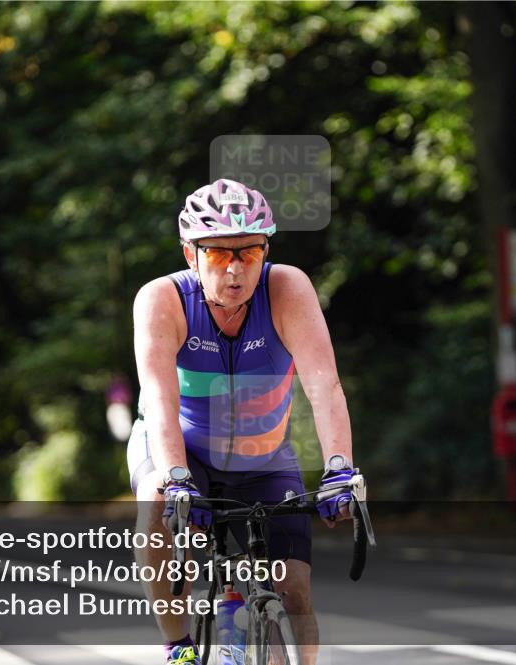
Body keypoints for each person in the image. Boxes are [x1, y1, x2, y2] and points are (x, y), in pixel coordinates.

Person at [128, 179, 359, 665]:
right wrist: (176, 480)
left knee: (294, 590)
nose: (235, 270)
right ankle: (178, 644)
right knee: (156, 498)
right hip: (181, 449)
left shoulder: (287, 288)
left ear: (265, 251)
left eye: (249, 253)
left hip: (264, 455)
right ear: (190, 255)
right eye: (217, 256)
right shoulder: (162, 300)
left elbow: (325, 384)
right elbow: (160, 399)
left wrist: (341, 468)